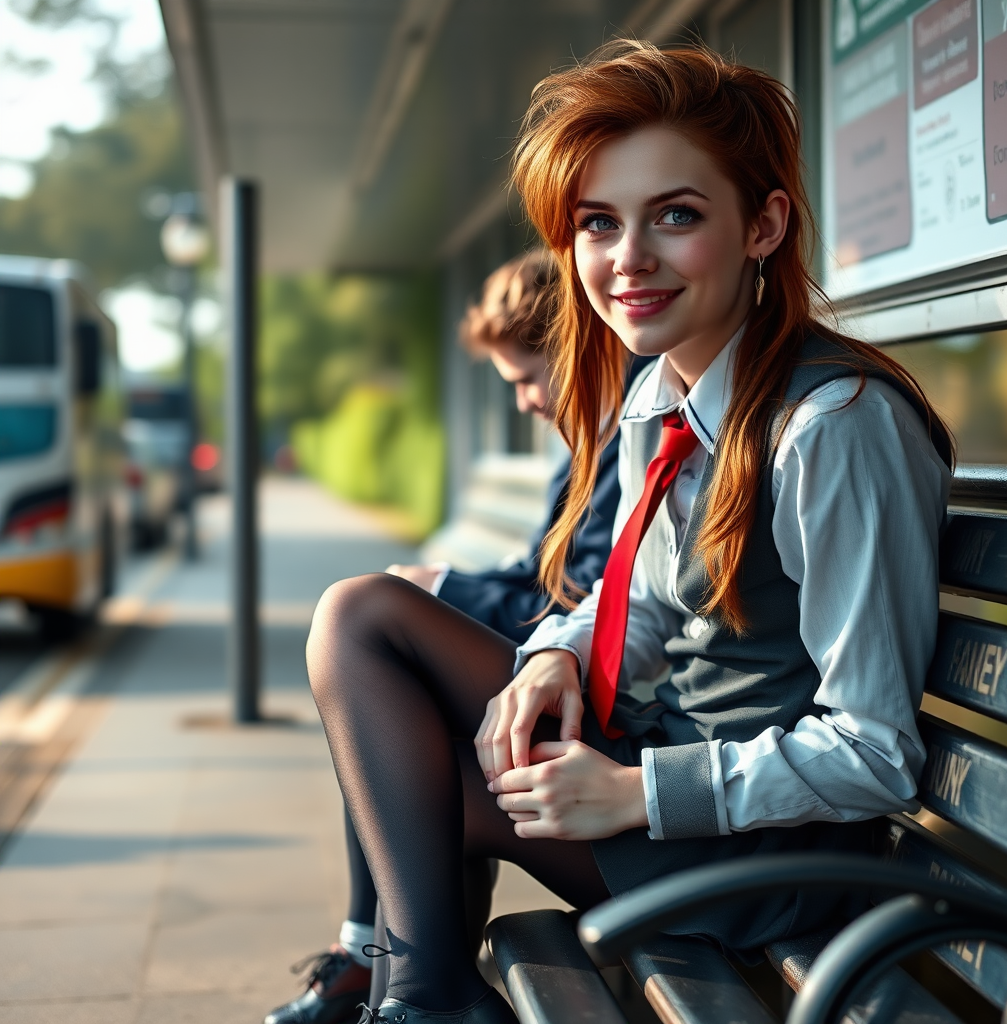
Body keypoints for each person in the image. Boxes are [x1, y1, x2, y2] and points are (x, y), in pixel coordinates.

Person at [304, 40, 954, 1024]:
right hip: (682, 769)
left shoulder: (832, 426)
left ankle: (422, 1004)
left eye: (676, 216)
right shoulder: (665, 394)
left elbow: (872, 752)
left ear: (763, 224)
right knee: (365, 629)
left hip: (773, 852)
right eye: (597, 223)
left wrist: (637, 793)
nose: (627, 260)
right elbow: (633, 601)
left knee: (410, 760)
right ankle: (424, 1004)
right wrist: (552, 657)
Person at [266, 249, 648, 1024]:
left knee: (368, 633)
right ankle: (392, 980)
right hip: (605, 702)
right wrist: (448, 586)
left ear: (579, 344)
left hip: (634, 739)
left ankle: (401, 988)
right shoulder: (604, 434)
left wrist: (443, 591)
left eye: (527, 378)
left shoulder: (636, 427)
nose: (526, 402)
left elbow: (575, 597)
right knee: (385, 706)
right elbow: (564, 580)